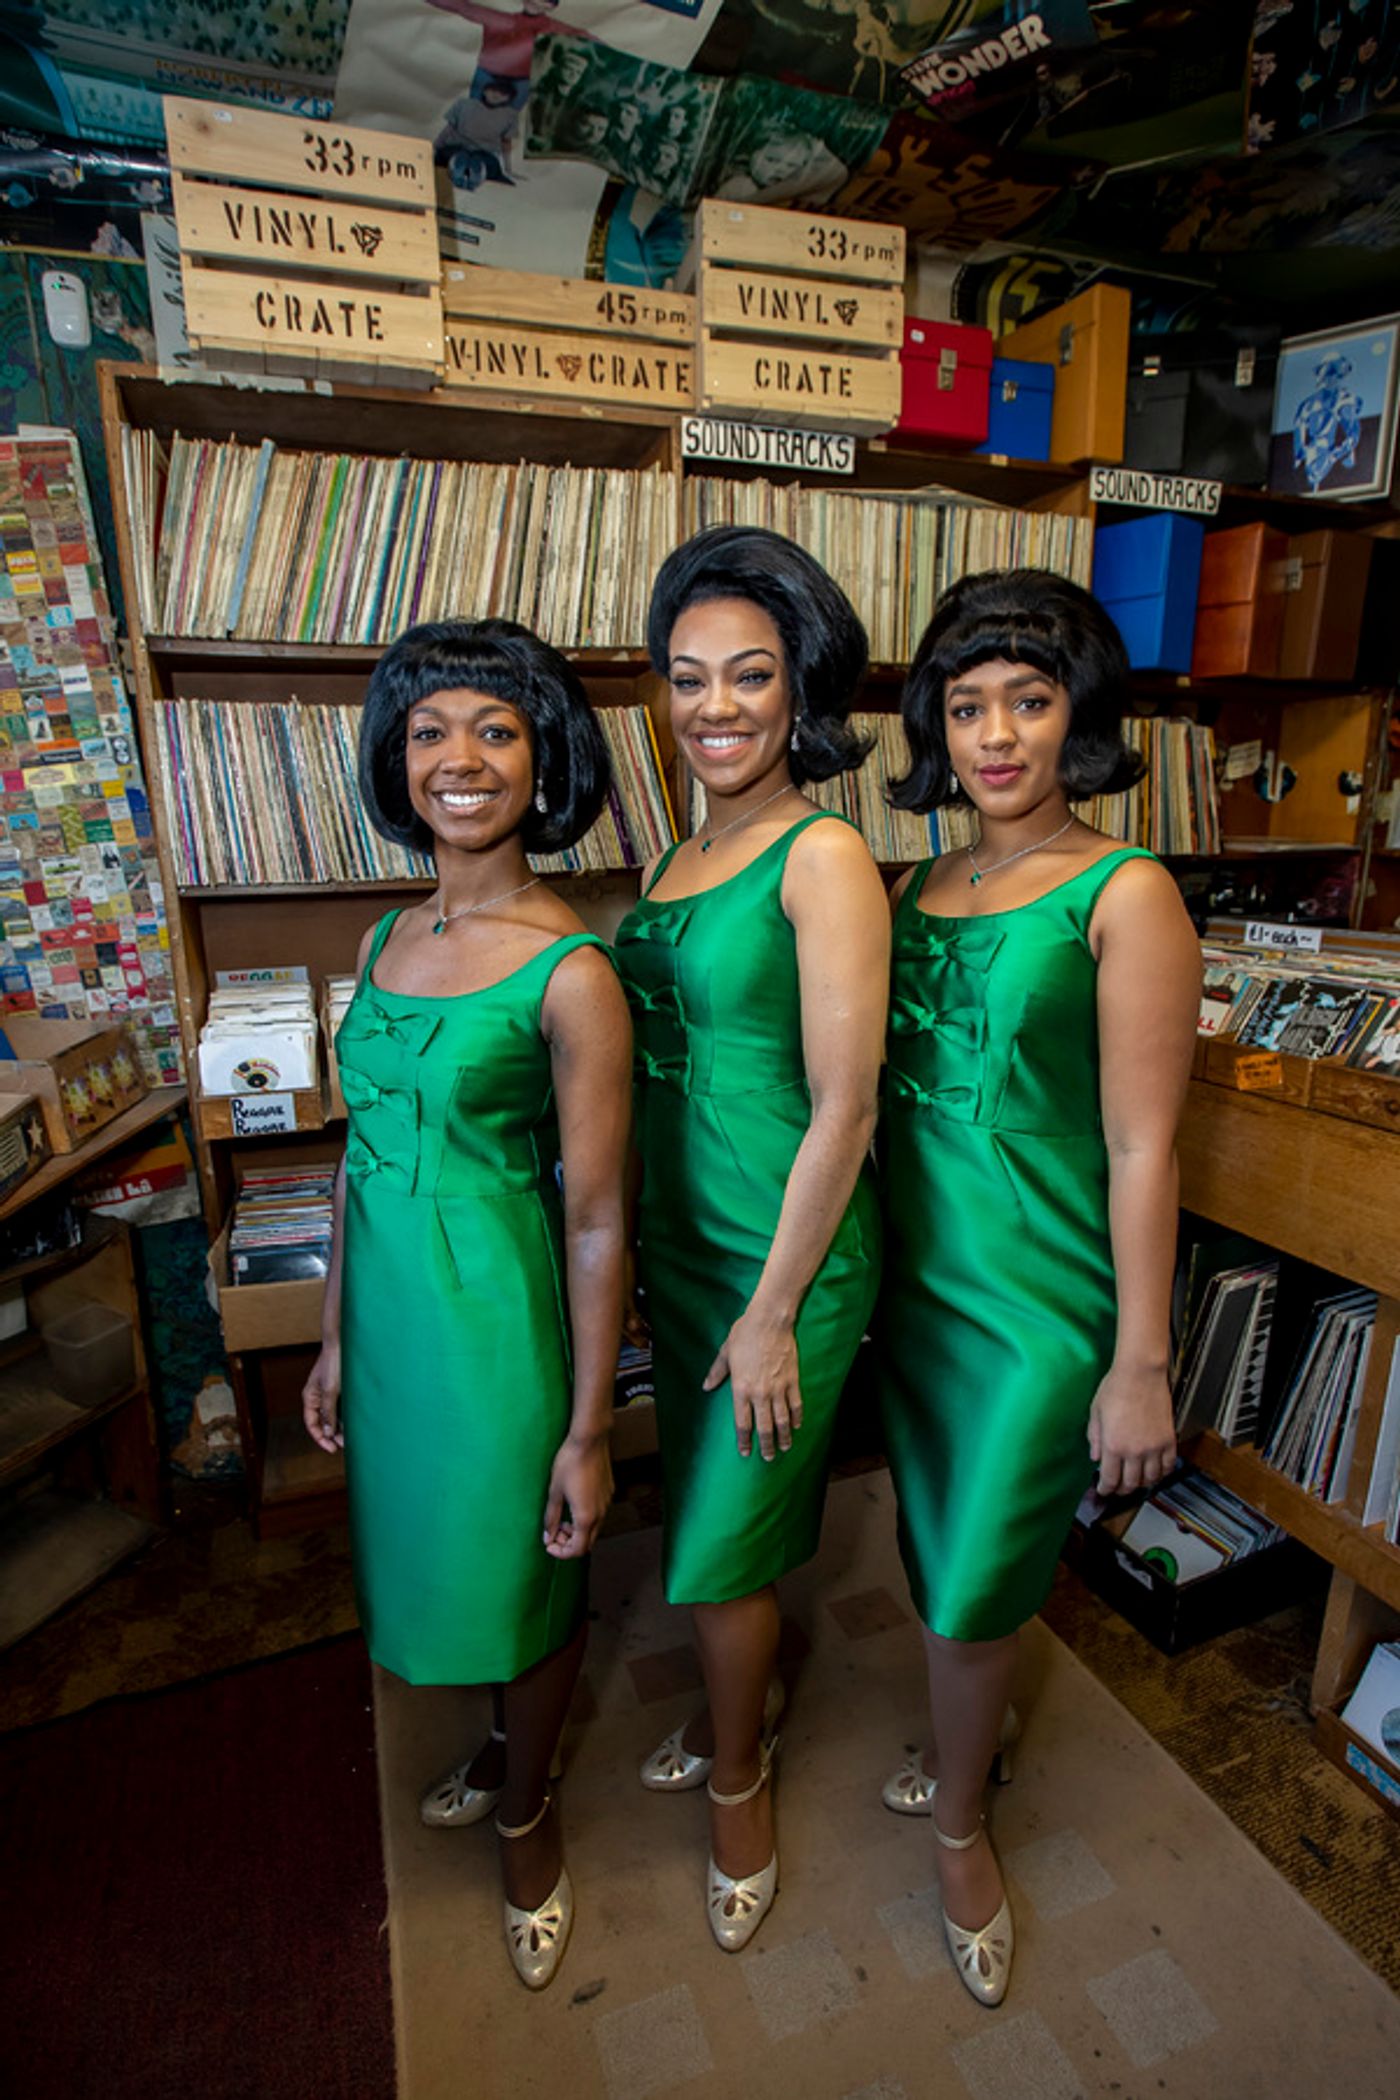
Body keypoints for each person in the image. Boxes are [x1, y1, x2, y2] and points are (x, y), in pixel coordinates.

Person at [876, 569, 1201, 2007]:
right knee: (932, 1536)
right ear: (934, 727)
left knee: (968, 1581)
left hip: (1036, 1300)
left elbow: (1142, 1144)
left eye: (1028, 699)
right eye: (966, 706)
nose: (996, 734)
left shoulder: (1128, 887)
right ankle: (972, 1738)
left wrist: (1142, 1360)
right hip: (920, 1283)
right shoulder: (911, 883)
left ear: (1078, 714)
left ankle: (959, 1833)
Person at [302, 619, 632, 1992]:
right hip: (389, 1325)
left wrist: (590, 1428)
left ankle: (530, 1808)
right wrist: (330, 1334)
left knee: (531, 1572)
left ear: (543, 757)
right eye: (430, 730)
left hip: (497, 1319)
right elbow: (355, 1148)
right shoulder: (387, 931)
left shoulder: (573, 971)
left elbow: (602, 1215)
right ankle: (501, 1745)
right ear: (396, 757)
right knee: (438, 1558)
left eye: (495, 730)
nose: (459, 758)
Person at [615, 527, 888, 1953]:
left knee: (719, 1545)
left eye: (751, 677)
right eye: (688, 677)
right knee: (715, 1517)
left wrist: (775, 1307)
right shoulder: (681, 845)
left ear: (800, 694)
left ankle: (739, 1780)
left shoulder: (824, 852)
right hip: (686, 1244)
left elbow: (844, 1108)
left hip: (787, 1255)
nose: (715, 706)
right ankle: (748, 1703)